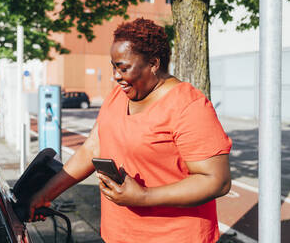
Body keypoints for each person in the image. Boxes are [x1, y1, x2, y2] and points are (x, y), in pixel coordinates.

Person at [29, 18, 232, 243]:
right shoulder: (119, 96)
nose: (116, 76)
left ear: (154, 63)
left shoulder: (188, 106)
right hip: (118, 235)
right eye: (113, 66)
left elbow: (217, 180)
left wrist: (144, 197)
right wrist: (44, 195)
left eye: (123, 67)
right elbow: (92, 148)